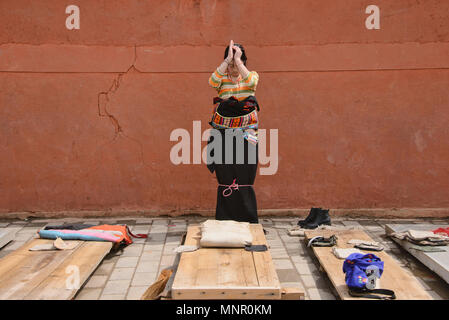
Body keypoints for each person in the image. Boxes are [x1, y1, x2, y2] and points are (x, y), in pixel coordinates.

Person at [207, 40, 260, 223]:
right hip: (223, 132)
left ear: (244, 61)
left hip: (247, 131)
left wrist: (238, 60)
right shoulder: (221, 80)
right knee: (226, 172)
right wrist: (227, 59)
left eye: (238, 61)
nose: (234, 67)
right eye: (231, 63)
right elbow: (211, 81)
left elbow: (252, 83)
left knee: (245, 171)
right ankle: (226, 216)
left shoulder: (250, 76)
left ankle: (246, 216)